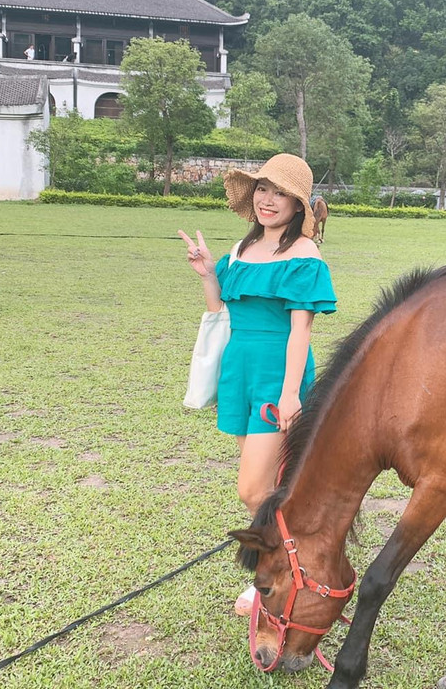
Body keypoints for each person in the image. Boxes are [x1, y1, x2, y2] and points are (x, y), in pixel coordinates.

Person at [177, 153, 336, 616]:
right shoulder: (241, 250)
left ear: (298, 205)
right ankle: (284, 563)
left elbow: (301, 331)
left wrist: (290, 393)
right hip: (239, 366)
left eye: (281, 193)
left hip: (276, 372)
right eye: (264, 189)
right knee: (266, 481)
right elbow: (220, 307)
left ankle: (279, 568)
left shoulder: (304, 254)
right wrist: (208, 272)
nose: (269, 200)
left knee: (252, 489)